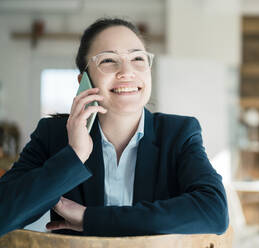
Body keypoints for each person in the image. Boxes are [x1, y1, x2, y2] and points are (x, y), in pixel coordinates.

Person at [0, 17, 228, 237]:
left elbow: (214, 211)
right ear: (84, 81)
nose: (127, 71)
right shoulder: (54, 134)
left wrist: (92, 219)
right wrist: (74, 155)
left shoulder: (178, 133)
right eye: (108, 60)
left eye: (138, 59)